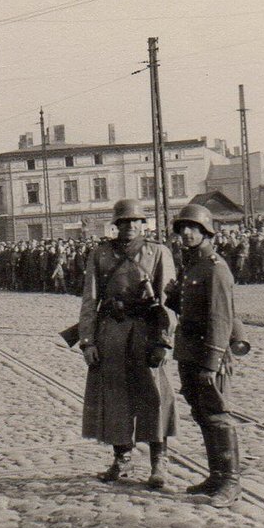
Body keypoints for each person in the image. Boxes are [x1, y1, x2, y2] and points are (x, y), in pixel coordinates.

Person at [77, 198, 178, 489]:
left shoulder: (158, 252)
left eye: (136, 222)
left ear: (143, 225)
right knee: (115, 398)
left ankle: (159, 461)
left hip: (146, 333)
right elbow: (90, 300)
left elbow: (167, 302)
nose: (130, 226)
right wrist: (88, 341)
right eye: (124, 222)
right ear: (116, 225)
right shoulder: (101, 254)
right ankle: (121, 457)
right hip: (111, 333)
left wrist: (164, 341)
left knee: (154, 396)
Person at [167, 203, 242, 507]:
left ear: (206, 231)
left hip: (208, 356)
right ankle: (215, 475)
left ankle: (231, 481)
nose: (186, 233)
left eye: (193, 228)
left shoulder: (215, 268)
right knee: (202, 415)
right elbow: (188, 307)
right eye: (182, 228)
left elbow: (221, 319)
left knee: (218, 416)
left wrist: (211, 364)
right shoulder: (192, 266)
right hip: (189, 352)